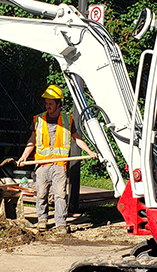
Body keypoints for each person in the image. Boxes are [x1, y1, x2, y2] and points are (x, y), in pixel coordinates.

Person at [17, 84, 97, 234]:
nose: (48, 106)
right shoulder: (38, 120)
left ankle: (61, 223)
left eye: (51, 104)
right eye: (46, 103)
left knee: (60, 194)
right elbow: (32, 141)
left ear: (59, 103)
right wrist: (23, 157)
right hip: (41, 164)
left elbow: (77, 139)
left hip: (59, 165)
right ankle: (42, 220)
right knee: (41, 194)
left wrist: (89, 151)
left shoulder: (68, 120)